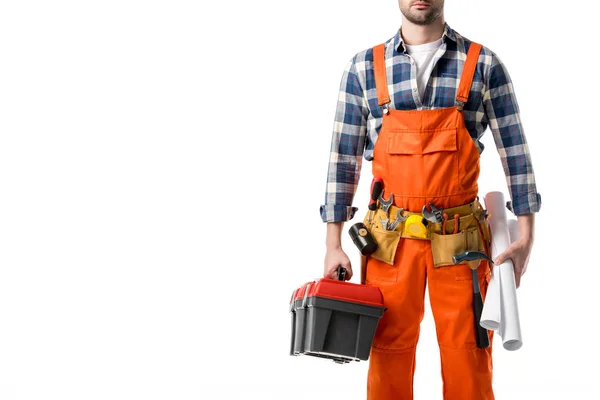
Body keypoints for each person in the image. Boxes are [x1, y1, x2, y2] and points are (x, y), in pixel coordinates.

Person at [319, 0, 541, 399]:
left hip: (461, 244)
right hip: (388, 242)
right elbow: (342, 158)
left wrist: (527, 236)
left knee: (468, 361)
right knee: (387, 357)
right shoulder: (363, 68)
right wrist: (333, 244)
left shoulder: (483, 64)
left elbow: (516, 152)